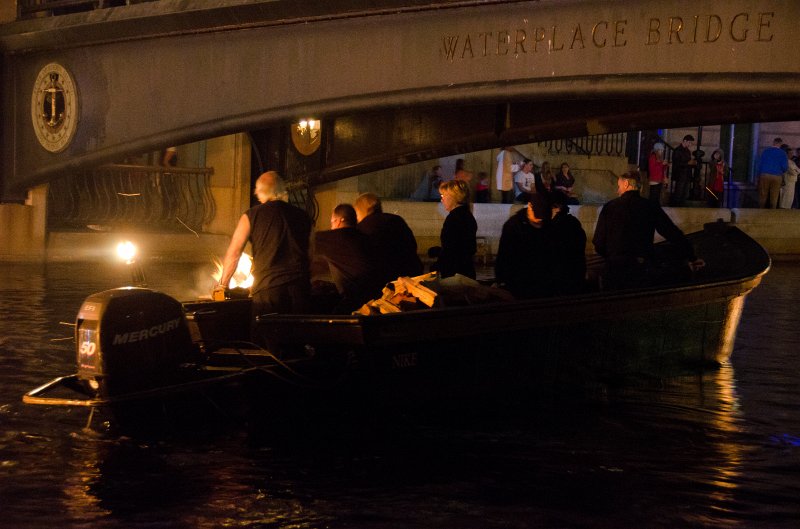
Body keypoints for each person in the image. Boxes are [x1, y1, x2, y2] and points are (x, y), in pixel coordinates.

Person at [215, 171, 312, 319]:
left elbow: (234, 253)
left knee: (265, 339)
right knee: (296, 339)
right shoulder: (303, 216)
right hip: (300, 291)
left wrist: (222, 285)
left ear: (260, 192)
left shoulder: (251, 215)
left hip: (269, 291)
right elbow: (311, 253)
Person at [592, 170, 704, 290]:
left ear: (626, 184)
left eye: (619, 186)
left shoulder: (609, 207)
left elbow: (598, 242)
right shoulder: (649, 206)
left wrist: (612, 256)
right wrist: (692, 256)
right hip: (640, 268)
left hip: (614, 270)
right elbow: (672, 233)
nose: (617, 190)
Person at [314, 204, 383, 313]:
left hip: (356, 299)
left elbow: (306, 241)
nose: (331, 227)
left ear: (338, 221)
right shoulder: (364, 238)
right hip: (376, 294)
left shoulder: (334, 237)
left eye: (332, 222)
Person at [495, 193, 556, 299]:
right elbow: (504, 257)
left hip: (543, 285)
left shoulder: (550, 226)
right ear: (529, 207)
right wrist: (502, 282)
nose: (539, 220)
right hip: (518, 284)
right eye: (536, 216)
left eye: (542, 218)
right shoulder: (513, 226)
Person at [354, 192, 423, 284]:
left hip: (384, 280)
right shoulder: (397, 220)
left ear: (359, 210)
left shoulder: (361, 228)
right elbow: (412, 245)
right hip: (411, 273)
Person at [431, 179, 477, 279]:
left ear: (453, 197)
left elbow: (453, 249)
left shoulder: (455, 218)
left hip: (455, 273)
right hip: (465, 271)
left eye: (443, 196)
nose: (441, 200)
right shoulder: (465, 215)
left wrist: (439, 263)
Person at [548, 190, 587, 295]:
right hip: (576, 276)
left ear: (556, 207)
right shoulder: (574, 222)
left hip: (559, 278)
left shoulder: (553, 226)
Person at [757, 137, 788, 209]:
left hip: (765, 175)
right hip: (777, 176)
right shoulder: (783, 153)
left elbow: (759, 164)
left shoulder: (766, 151)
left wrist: (758, 175)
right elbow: (785, 167)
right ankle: (772, 212)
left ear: (773, 143)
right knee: (774, 195)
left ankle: (760, 210)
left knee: (763, 194)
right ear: (780, 144)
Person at [669, 134, 697, 206]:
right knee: (679, 193)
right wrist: (688, 163)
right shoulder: (677, 150)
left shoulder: (687, 151)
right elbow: (677, 163)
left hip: (687, 175)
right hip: (680, 175)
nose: (690, 144)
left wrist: (692, 163)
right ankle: (676, 207)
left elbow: (687, 162)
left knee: (685, 194)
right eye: (689, 142)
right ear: (685, 141)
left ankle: (682, 207)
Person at [779, 144, 799, 209]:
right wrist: (796, 171)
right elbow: (792, 171)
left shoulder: (792, 162)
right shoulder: (786, 161)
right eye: (790, 153)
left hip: (793, 182)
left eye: (792, 153)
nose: (792, 155)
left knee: (790, 198)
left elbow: (798, 170)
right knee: (785, 198)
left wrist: (796, 171)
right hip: (787, 181)